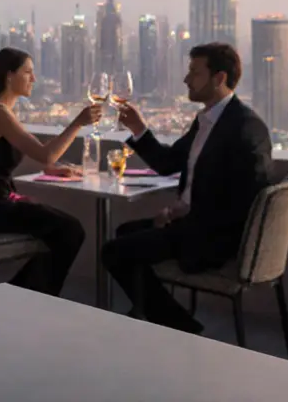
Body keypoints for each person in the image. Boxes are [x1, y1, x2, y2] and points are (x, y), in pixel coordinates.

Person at [103, 42, 273, 334]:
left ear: (219, 78)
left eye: (194, 72)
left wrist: (178, 218)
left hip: (215, 236)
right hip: (196, 224)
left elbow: (244, 201)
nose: (186, 80)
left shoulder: (246, 128)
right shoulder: (208, 120)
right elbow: (169, 163)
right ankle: (149, 312)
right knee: (125, 234)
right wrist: (139, 130)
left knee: (113, 252)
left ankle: (179, 326)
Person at [0, 48, 100, 296]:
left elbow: (32, 156)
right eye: (28, 72)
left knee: (62, 231)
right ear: (9, 76)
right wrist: (78, 122)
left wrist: (54, 168)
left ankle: (23, 294)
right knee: (70, 230)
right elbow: (45, 154)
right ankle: (22, 296)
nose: (34, 79)